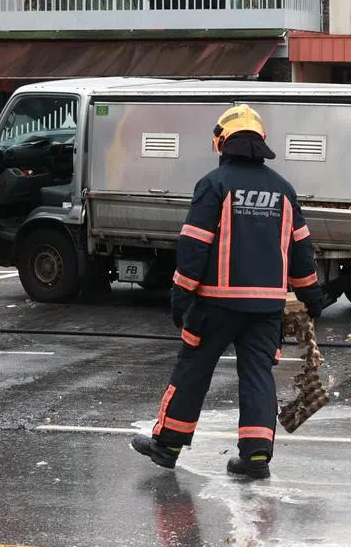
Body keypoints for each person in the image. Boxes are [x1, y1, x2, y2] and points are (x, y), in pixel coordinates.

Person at [132, 104, 325, 479]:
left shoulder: (214, 184)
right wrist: (311, 296)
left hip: (214, 303)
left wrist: (181, 295)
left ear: (222, 141)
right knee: (257, 375)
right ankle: (255, 457)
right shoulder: (283, 190)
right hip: (267, 308)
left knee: (193, 370)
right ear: (261, 141)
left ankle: (168, 444)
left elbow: (194, 245)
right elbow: (301, 249)